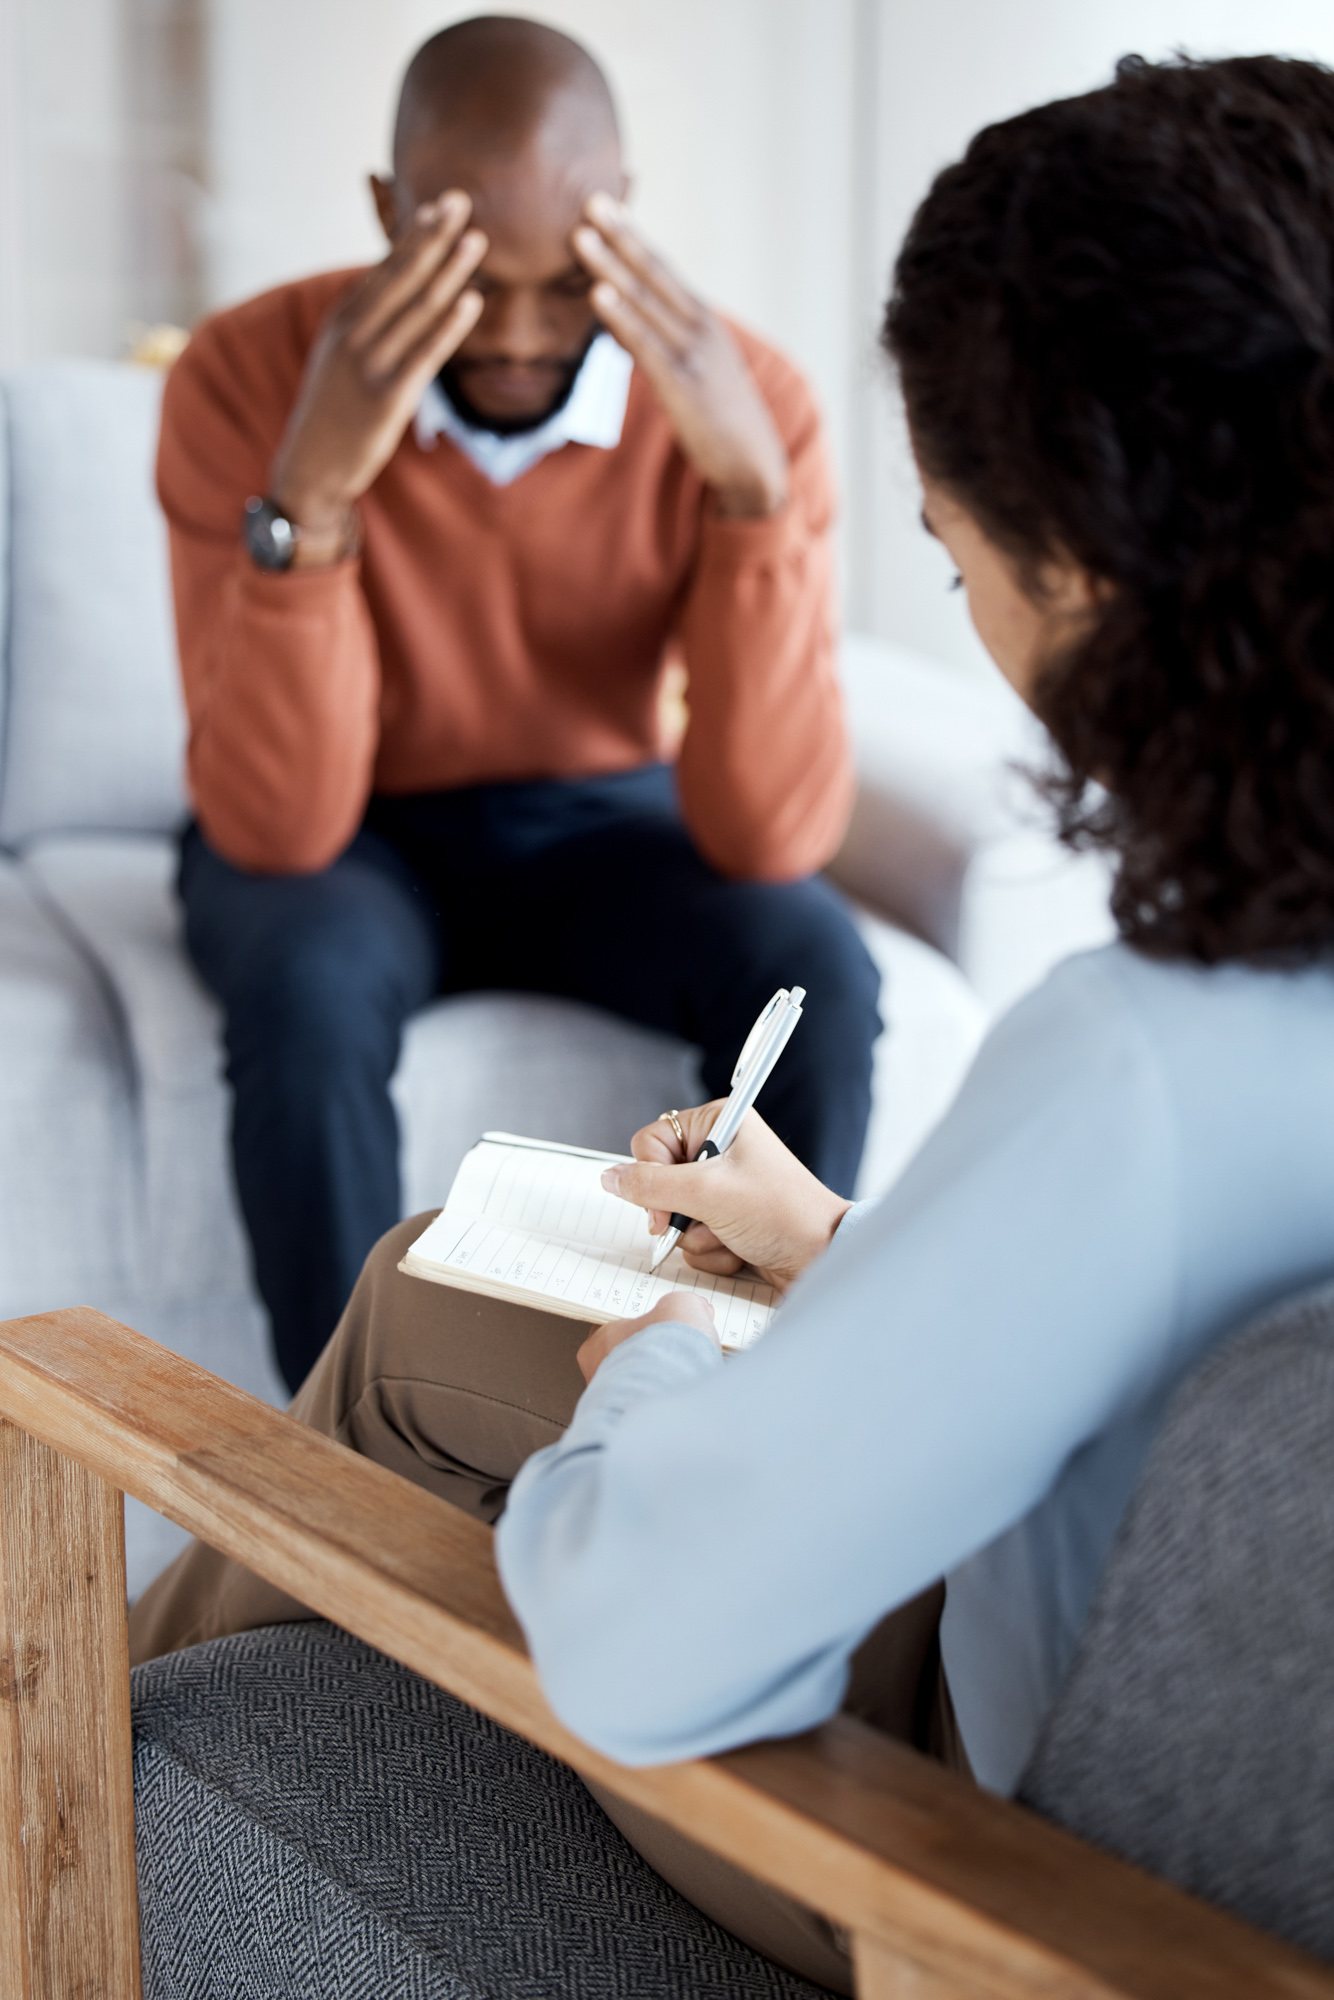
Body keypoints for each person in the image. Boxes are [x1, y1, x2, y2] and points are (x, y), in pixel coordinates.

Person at [132, 49, 1334, 1997]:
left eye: (947, 553)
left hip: (994, 1846)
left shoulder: (1135, 1061)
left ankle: (99, 1819)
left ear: (1080, 566)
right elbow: (1153, 1354)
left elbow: (642, 1643)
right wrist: (848, 1252)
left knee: (523, 1306)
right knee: (425, 1268)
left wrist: (662, 1372)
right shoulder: (1207, 1051)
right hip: (1090, 1625)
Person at [162, 14, 879, 1394]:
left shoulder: (751, 401)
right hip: (348, 832)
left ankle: (765, 1411)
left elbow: (771, 837)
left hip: (598, 819)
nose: (515, 334)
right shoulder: (247, 372)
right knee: (306, 986)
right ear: (389, 213)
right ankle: (338, 1463)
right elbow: (277, 824)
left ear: (620, 218)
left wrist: (750, 500)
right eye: (471, 279)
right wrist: (312, 498)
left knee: (816, 961)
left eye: (562, 284)